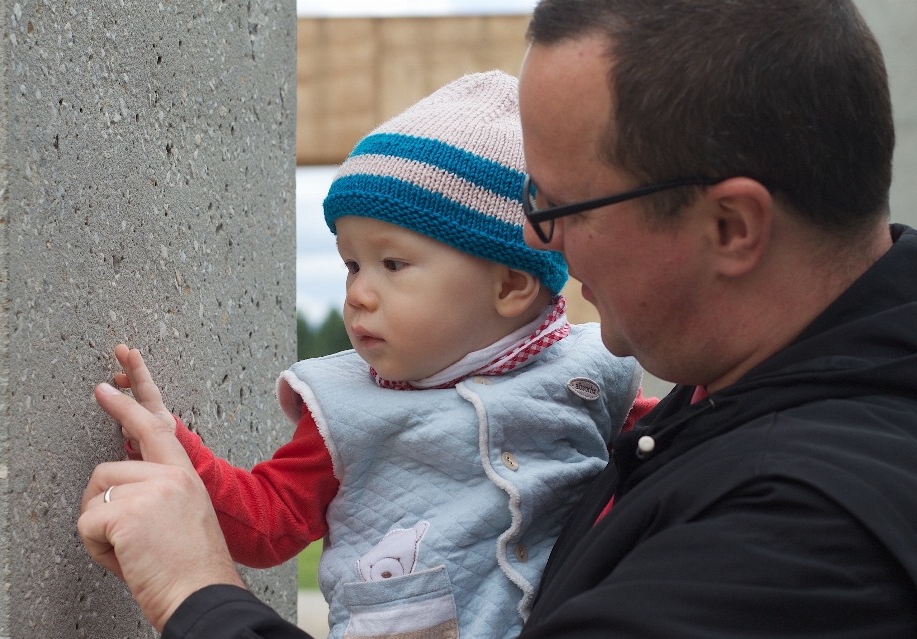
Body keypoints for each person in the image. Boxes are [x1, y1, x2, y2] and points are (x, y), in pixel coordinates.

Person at [78, 0, 917, 637]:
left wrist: (192, 589)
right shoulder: (715, 408)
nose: (530, 239)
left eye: (559, 204)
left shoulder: (801, 532)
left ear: (731, 227)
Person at [102, 71, 648, 639]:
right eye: (351, 264)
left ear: (511, 285)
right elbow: (267, 523)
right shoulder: (344, 407)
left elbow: (670, 464)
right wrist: (171, 446)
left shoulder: (592, 372)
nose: (358, 293)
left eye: (393, 265)